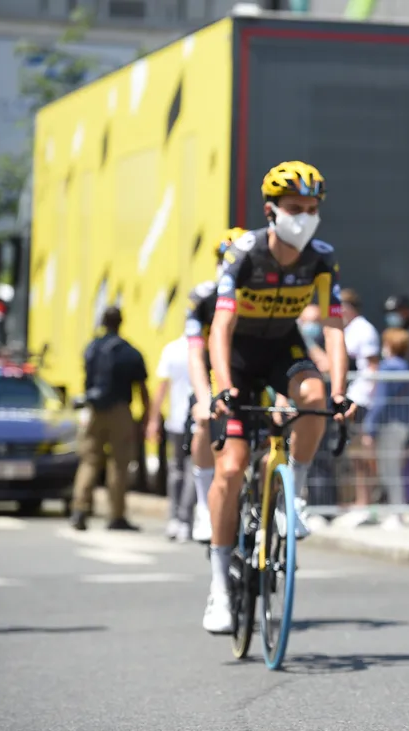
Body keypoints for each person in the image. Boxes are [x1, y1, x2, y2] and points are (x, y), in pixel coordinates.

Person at [202, 161, 356, 634]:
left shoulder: (321, 258)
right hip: (239, 358)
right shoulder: (244, 254)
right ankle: (218, 587)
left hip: (282, 349)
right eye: (295, 208)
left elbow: (333, 328)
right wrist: (224, 384)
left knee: (314, 396)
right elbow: (220, 328)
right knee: (229, 469)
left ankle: (295, 496)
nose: (304, 217)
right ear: (271, 211)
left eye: (312, 209)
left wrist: (340, 391)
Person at [183, 228, 248, 544]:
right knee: (203, 424)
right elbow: (196, 353)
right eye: (226, 258)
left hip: (249, 368)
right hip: (213, 372)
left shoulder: (257, 292)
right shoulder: (202, 296)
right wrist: (203, 398)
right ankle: (203, 503)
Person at [71, 306, 149, 532]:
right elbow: (142, 387)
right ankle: (116, 514)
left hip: (94, 410)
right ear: (120, 322)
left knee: (89, 461)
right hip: (120, 410)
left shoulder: (92, 347)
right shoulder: (129, 351)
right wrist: (145, 414)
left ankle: (80, 509)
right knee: (119, 463)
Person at [364, 327, 409, 529]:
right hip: (403, 425)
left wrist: (370, 428)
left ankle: (396, 513)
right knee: (393, 468)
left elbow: (381, 401)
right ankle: (396, 511)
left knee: (389, 470)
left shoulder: (388, 368)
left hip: (388, 425)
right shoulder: (406, 367)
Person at [148, 333, 195, 541]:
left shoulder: (172, 348)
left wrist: (154, 419)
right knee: (193, 470)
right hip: (197, 419)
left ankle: (175, 518)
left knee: (176, 470)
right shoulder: (204, 347)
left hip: (177, 418)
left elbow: (161, 387)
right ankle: (185, 520)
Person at [340, 288, 380, 511]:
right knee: (355, 455)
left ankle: (366, 502)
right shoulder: (351, 329)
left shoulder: (363, 330)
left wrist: (368, 399)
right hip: (354, 399)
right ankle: (361, 501)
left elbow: (372, 367)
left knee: (362, 454)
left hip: (362, 401)